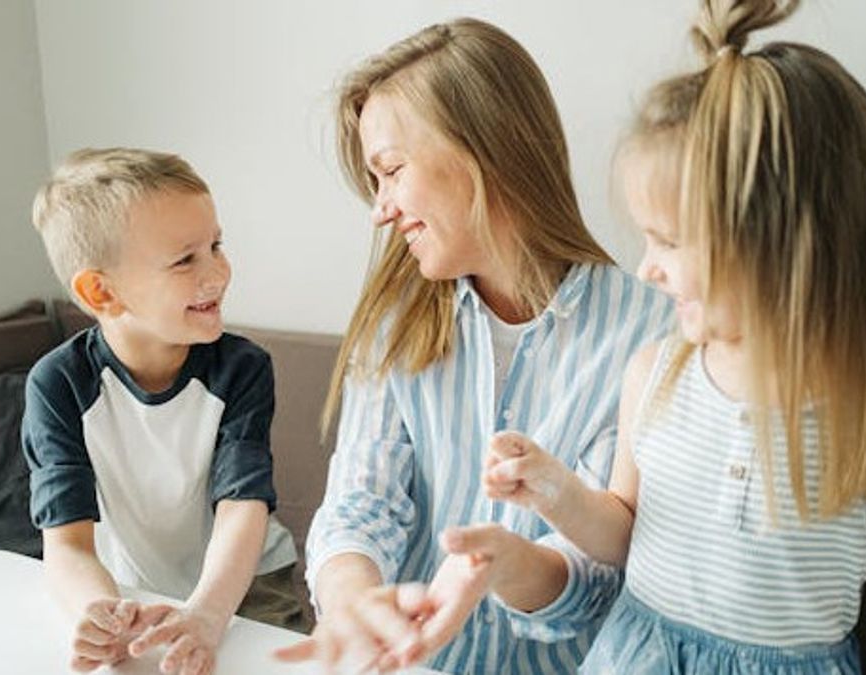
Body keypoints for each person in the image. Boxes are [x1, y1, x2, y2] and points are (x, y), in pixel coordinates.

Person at [460, 1, 866, 673]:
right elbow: (623, 530)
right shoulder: (655, 375)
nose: (646, 267)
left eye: (669, 241)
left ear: (783, 248)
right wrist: (554, 491)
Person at [274, 18, 672, 674]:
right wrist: (350, 599)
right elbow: (360, 500)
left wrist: (507, 568)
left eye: (392, 171)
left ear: (486, 151)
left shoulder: (647, 336)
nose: (381, 208)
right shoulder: (394, 318)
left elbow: (602, 571)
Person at [23, 148, 306, 675]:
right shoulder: (57, 385)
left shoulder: (242, 369)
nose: (217, 272)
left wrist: (206, 613)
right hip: (133, 590)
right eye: (185, 259)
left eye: (216, 246)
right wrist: (97, 613)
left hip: (246, 583)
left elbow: (242, 508)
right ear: (100, 291)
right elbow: (66, 544)